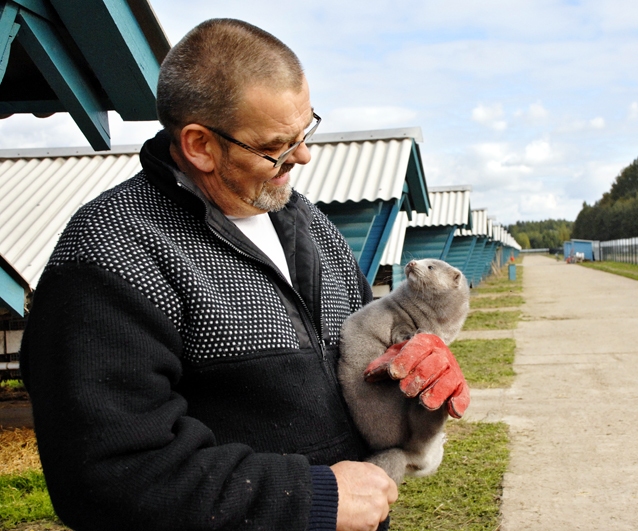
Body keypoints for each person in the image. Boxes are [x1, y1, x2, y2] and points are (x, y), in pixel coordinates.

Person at [20, 18, 468, 531]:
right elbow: (106, 475)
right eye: (277, 145)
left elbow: (369, 363)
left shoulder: (309, 224)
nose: (303, 156)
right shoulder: (112, 253)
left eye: (306, 131)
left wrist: (417, 375)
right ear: (200, 145)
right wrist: (312, 498)